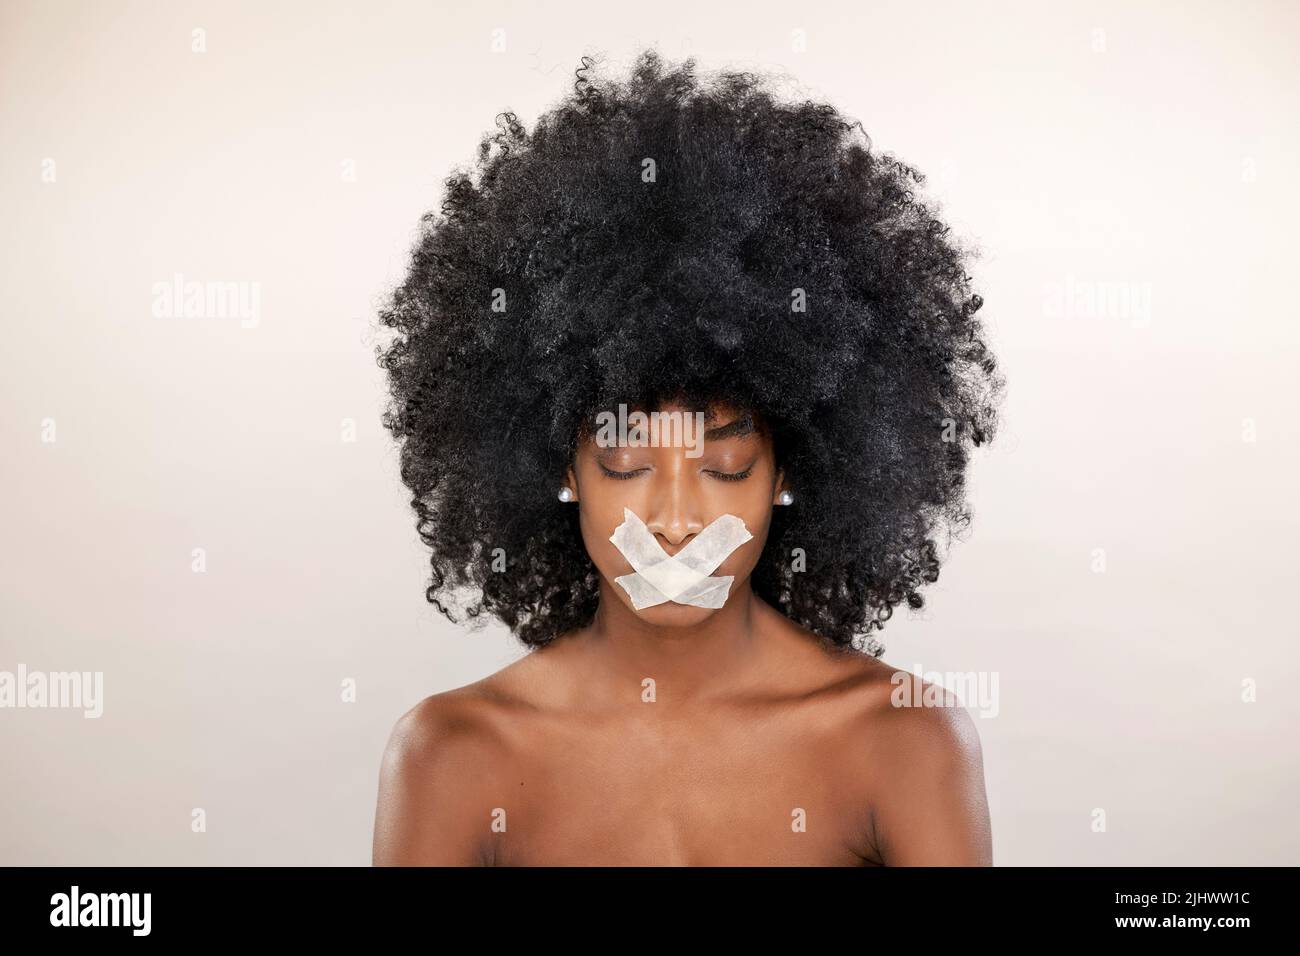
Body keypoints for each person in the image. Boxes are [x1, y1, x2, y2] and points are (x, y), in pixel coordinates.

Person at [371, 48, 1004, 865]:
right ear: (562, 469)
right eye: (627, 465)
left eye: (726, 468)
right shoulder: (452, 754)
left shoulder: (905, 742)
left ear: (788, 473)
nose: (673, 520)